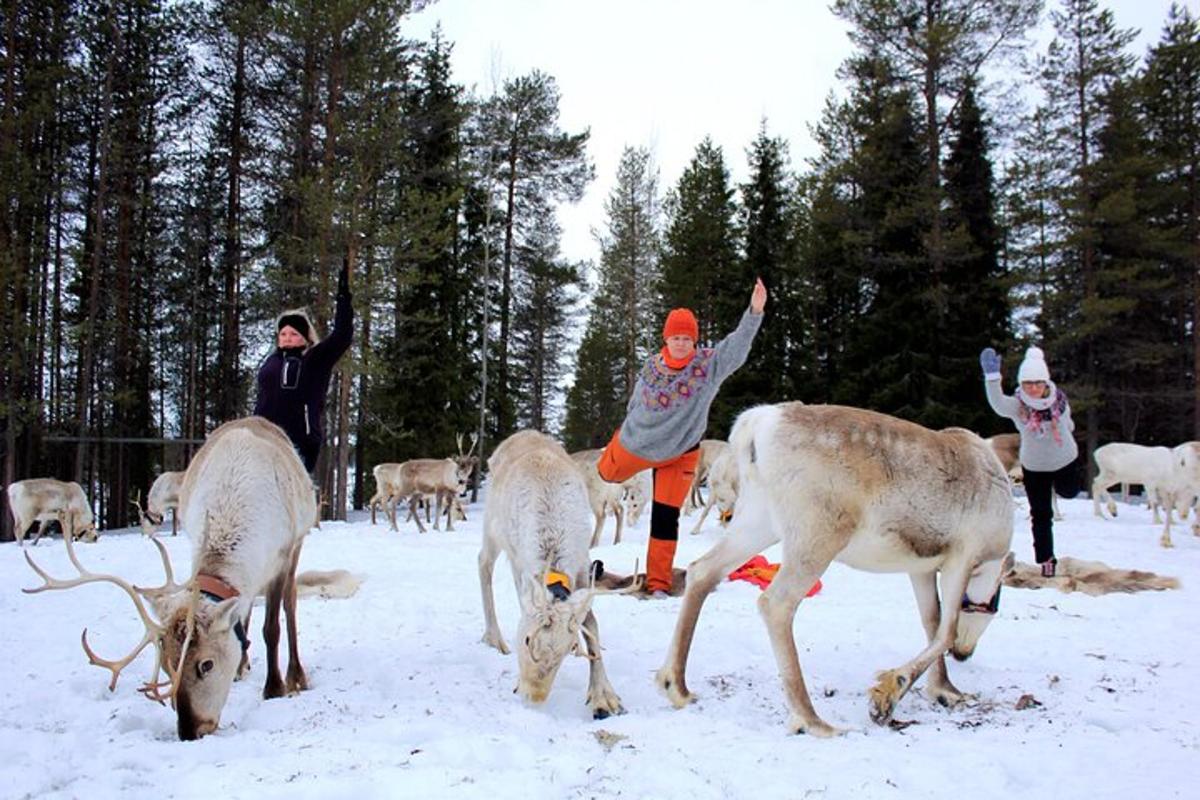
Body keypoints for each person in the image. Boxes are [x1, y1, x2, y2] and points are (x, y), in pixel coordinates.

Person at [597, 278, 767, 596]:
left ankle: (659, 583)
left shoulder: (707, 366)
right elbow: (635, 403)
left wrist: (754, 311)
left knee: (665, 517)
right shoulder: (651, 367)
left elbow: (736, 346)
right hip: (636, 444)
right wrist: (626, 431)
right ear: (667, 338)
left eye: (686, 338)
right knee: (605, 472)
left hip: (681, 451)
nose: (680, 343)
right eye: (675, 337)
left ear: (694, 340)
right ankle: (614, 448)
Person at [980, 345, 1078, 577]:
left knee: (1069, 492)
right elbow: (998, 404)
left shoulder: (1060, 402)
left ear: (1046, 383)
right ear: (1021, 385)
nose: (1033, 389)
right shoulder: (1018, 406)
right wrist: (992, 378)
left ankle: (1065, 485)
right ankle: (1046, 561)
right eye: (1027, 384)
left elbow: (1070, 423)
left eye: (1037, 383)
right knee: (1041, 514)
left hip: (1065, 459)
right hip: (1035, 467)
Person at [254, 261, 353, 475]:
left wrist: (344, 300)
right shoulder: (271, 361)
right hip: (263, 438)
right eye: (283, 334)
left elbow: (342, 336)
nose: (287, 338)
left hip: (299, 440)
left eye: (293, 334)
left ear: (305, 337)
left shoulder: (315, 359)